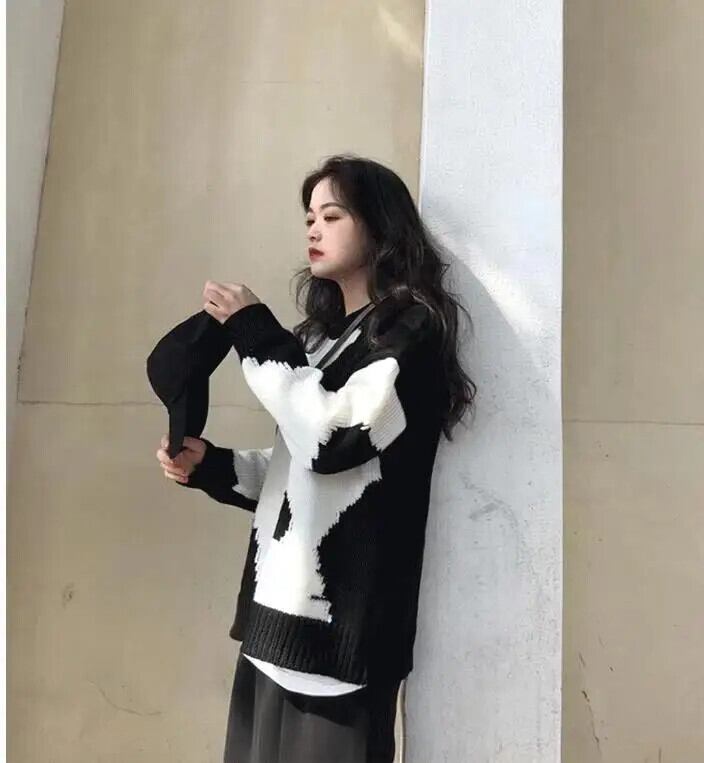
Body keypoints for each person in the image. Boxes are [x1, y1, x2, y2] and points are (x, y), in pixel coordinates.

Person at [156, 154, 476, 762]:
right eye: (309, 217)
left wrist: (254, 332)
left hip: (341, 643)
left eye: (332, 215)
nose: (313, 229)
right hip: (270, 626)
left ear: (380, 225)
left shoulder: (409, 331)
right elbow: (299, 471)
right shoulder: (319, 339)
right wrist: (212, 466)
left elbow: (335, 441)